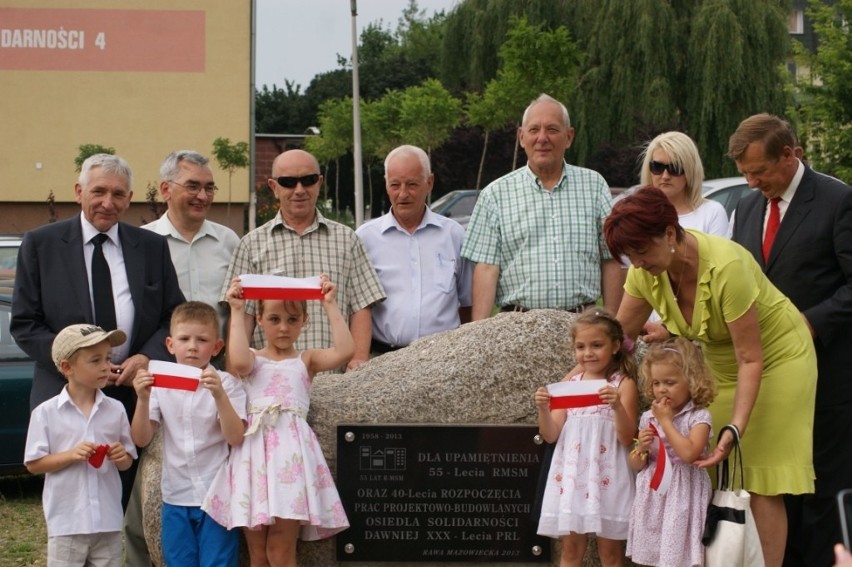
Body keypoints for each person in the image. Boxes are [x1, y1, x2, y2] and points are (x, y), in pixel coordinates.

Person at [604, 186, 818, 567]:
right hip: (720, 364)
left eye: (641, 251)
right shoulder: (644, 273)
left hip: (778, 359)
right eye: (629, 256)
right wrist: (582, 375)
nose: (636, 263)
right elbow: (620, 337)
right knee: (711, 471)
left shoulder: (726, 266)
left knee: (761, 478)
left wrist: (734, 429)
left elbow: (751, 358)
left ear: (670, 234)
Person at [11, 153, 185, 565]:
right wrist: (77, 367)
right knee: (71, 509)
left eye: (119, 194)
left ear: (129, 199)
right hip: (66, 395)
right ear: (78, 193)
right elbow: (26, 324)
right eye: (99, 191)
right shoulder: (41, 244)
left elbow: (171, 315)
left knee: (123, 504)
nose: (109, 202)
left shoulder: (152, 246)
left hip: (132, 395)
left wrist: (145, 356)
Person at [727, 113, 852, 567]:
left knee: (824, 488)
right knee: (778, 488)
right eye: (744, 173)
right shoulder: (744, 206)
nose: (752, 181)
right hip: (770, 380)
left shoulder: (838, 200)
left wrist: (809, 323)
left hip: (828, 377)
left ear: (790, 154)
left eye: (759, 172)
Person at [202, 274, 352, 565]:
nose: (283, 327)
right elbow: (239, 362)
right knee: (258, 553)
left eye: (292, 320)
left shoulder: (306, 360)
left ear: (304, 321)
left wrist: (330, 304)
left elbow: (345, 351)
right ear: (258, 319)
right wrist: (235, 309)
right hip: (254, 457)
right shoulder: (253, 358)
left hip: (291, 460)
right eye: (274, 319)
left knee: (280, 550)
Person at [462, 93, 623, 319]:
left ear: (569, 137)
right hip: (517, 329)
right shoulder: (494, 195)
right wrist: (478, 335)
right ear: (521, 137)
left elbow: (610, 259)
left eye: (553, 130)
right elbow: (487, 269)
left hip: (583, 327)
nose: (542, 138)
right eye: (534, 130)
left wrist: (612, 326)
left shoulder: (594, 186)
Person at [221, 148, 384, 370]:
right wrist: (235, 375)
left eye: (308, 180)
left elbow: (362, 306)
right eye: (288, 182)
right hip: (269, 383)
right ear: (274, 187)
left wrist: (359, 361)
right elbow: (242, 316)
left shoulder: (347, 239)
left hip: (334, 380)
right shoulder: (250, 245)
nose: (299, 190)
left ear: (319, 183)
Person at [131, 302, 247, 567]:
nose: (192, 346)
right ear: (170, 345)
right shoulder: (159, 384)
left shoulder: (227, 383)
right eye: (184, 339)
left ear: (217, 347)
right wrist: (142, 399)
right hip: (175, 494)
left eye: (202, 340)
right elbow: (141, 439)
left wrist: (219, 395)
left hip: (216, 495)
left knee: (218, 562)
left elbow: (235, 437)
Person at [534, 308, 639, 567]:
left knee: (611, 553)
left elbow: (627, 438)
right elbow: (550, 435)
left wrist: (617, 406)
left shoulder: (622, 384)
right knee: (570, 549)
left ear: (615, 346)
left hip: (608, 476)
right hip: (573, 477)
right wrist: (543, 409)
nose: (588, 353)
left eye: (597, 345)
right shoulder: (570, 386)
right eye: (580, 346)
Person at [24, 324, 136, 567]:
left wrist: (120, 456)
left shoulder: (115, 410)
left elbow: (127, 461)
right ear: (67, 367)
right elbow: (33, 464)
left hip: (108, 520)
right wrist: (71, 455)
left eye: (107, 358)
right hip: (67, 522)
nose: (106, 366)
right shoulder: (46, 412)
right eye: (95, 360)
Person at [355, 145, 472, 353]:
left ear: (430, 183)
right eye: (395, 185)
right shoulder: (365, 238)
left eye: (412, 184)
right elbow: (356, 308)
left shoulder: (454, 235)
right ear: (386, 185)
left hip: (443, 357)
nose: (403, 194)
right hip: (383, 358)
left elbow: (467, 303)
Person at [626, 337, 717, 567]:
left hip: (683, 492)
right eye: (656, 383)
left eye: (670, 382)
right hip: (654, 492)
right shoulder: (648, 417)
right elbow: (636, 464)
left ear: (692, 381)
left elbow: (689, 454)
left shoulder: (699, 417)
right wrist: (642, 448)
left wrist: (666, 422)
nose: (662, 389)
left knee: (679, 554)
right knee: (652, 552)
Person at [143, 150, 240, 336]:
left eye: (209, 188)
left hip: (219, 360)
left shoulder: (229, 241)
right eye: (193, 187)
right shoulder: (143, 243)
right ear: (165, 190)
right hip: (161, 360)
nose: (203, 196)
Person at [639, 131, 729, 236]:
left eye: (675, 168)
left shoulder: (712, 212)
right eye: (657, 167)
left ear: (690, 171)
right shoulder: (638, 215)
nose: (665, 176)